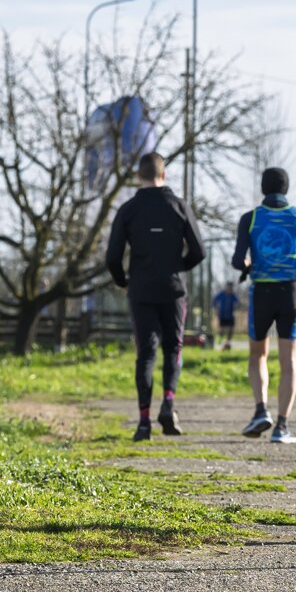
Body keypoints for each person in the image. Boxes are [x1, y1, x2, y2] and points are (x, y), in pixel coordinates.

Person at [105, 152, 206, 441]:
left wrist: (124, 281)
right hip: (173, 289)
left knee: (146, 353)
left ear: (139, 176)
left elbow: (112, 256)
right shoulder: (179, 206)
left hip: (141, 289)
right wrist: (178, 268)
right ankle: (168, 405)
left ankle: (143, 421)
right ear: (164, 174)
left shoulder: (128, 210)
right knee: (173, 348)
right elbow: (199, 251)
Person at [233, 166, 296, 445]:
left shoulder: (250, 219)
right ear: (286, 188)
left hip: (261, 293)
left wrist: (250, 264)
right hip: (291, 293)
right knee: (289, 359)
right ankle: (282, 426)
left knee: (258, 355)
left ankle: (261, 410)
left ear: (263, 188)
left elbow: (237, 260)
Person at [213, 281, 240, 351]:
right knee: (222, 330)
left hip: (230, 315)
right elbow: (214, 300)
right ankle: (219, 342)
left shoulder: (233, 295)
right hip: (222, 315)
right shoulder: (221, 294)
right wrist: (216, 308)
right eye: (228, 287)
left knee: (231, 330)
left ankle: (227, 344)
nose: (230, 289)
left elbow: (238, 302)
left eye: (231, 287)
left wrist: (236, 305)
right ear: (226, 287)